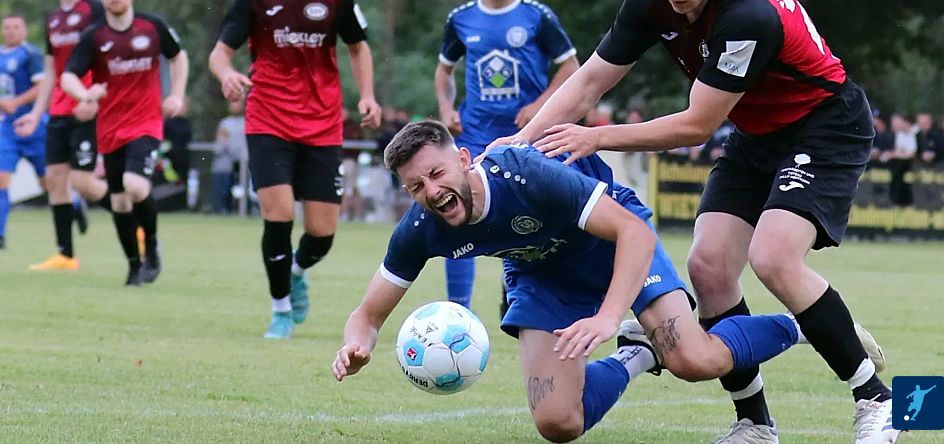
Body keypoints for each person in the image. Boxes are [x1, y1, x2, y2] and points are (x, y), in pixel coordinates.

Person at [485, 0, 897, 442]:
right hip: (756, 134)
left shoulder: (747, 16)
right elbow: (588, 82)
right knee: (707, 267)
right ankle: (755, 424)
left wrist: (598, 136)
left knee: (773, 257)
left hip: (823, 126)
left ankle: (879, 400)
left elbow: (698, 125)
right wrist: (522, 141)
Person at [331, 121, 885, 443]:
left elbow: (632, 234)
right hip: (541, 273)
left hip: (614, 243)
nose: (431, 191)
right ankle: (639, 356)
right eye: (416, 186)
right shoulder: (421, 228)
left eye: (436, 173)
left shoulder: (523, 173)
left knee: (695, 361)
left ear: (463, 159)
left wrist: (606, 316)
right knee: (557, 422)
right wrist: (357, 343)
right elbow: (368, 314)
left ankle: (808, 327)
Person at [208, 0, 382, 339]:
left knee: (322, 232)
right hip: (267, 118)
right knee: (279, 213)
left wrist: (367, 95)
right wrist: (227, 74)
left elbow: (358, 46)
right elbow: (219, 53)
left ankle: (298, 271)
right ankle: (280, 310)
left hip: (322, 123)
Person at [435, 0, 579, 311]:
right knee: (457, 211)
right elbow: (444, 72)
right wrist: (446, 108)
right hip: (475, 134)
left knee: (531, 215)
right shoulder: (461, 18)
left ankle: (516, 289)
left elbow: (571, 67)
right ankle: (458, 311)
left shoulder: (537, 16)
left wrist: (539, 106)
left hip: (525, 137)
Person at [60, 0, 188, 286]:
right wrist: (86, 94)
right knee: (118, 201)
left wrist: (176, 95)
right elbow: (68, 77)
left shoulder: (152, 26)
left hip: (146, 123)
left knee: (136, 186)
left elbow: (178, 56)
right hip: (110, 128)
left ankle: (152, 248)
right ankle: (133, 266)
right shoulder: (94, 36)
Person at [15, 0, 109, 270]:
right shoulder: (53, 18)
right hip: (57, 109)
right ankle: (66, 255)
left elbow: (108, 56)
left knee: (83, 182)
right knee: (56, 180)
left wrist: (94, 99)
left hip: (86, 107)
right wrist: (35, 112)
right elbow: (51, 68)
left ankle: (132, 216)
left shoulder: (95, 10)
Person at [0, 15, 47, 249]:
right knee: (1, 180)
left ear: (25, 30)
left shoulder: (31, 55)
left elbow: (41, 88)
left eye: (16, 27)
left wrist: (15, 103)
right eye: (7, 27)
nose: (11, 31)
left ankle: (76, 206)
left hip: (34, 126)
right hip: (6, 129)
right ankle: (0, 234)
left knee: (48, 183)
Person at [211, 99, 245, 214]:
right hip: (225, 163)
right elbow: (219, 145)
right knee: (223, 189)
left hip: (242, 163)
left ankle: (244, 209)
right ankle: (221, 210)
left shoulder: (246, 123)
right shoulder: (225, 123)